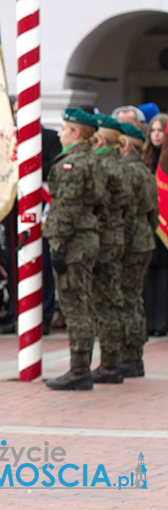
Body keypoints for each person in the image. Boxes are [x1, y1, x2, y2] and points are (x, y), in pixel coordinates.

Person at [44, 109, 104, 390]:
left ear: (77, 133)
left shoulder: (73, 164)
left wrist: (58, 244)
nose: (60, 133)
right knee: (82, 302)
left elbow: (66, 208)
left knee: (75, 306)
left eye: (65, 128)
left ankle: (79, 369)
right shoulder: (93, 159)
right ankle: (80, 367)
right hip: (86, 237)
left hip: (73, 242)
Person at [90, 114, 130, 384]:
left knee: (105, 302)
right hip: (117, 235)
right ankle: (117, 360)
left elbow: (95, 202)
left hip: (104, 238)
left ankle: (110, 363)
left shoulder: (103, 165)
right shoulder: (123, 163)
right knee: (114, 298)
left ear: (101, 139)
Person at [118, 122, 157, 377]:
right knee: (134, 298)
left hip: (130, 240)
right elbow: (153, 212)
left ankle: (129, 355)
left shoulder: (129, 172)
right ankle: (134, 356)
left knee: (127, 298)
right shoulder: (143, 171)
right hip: (143, 238)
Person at [143, 113, 168, 337]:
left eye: (161, 130)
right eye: (154, 130)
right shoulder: (146, 160)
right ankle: (149, 321)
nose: (157, 134)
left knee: (163, 276)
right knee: (148, 273)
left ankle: (162, 322)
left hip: (165, 226)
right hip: (148, 224)